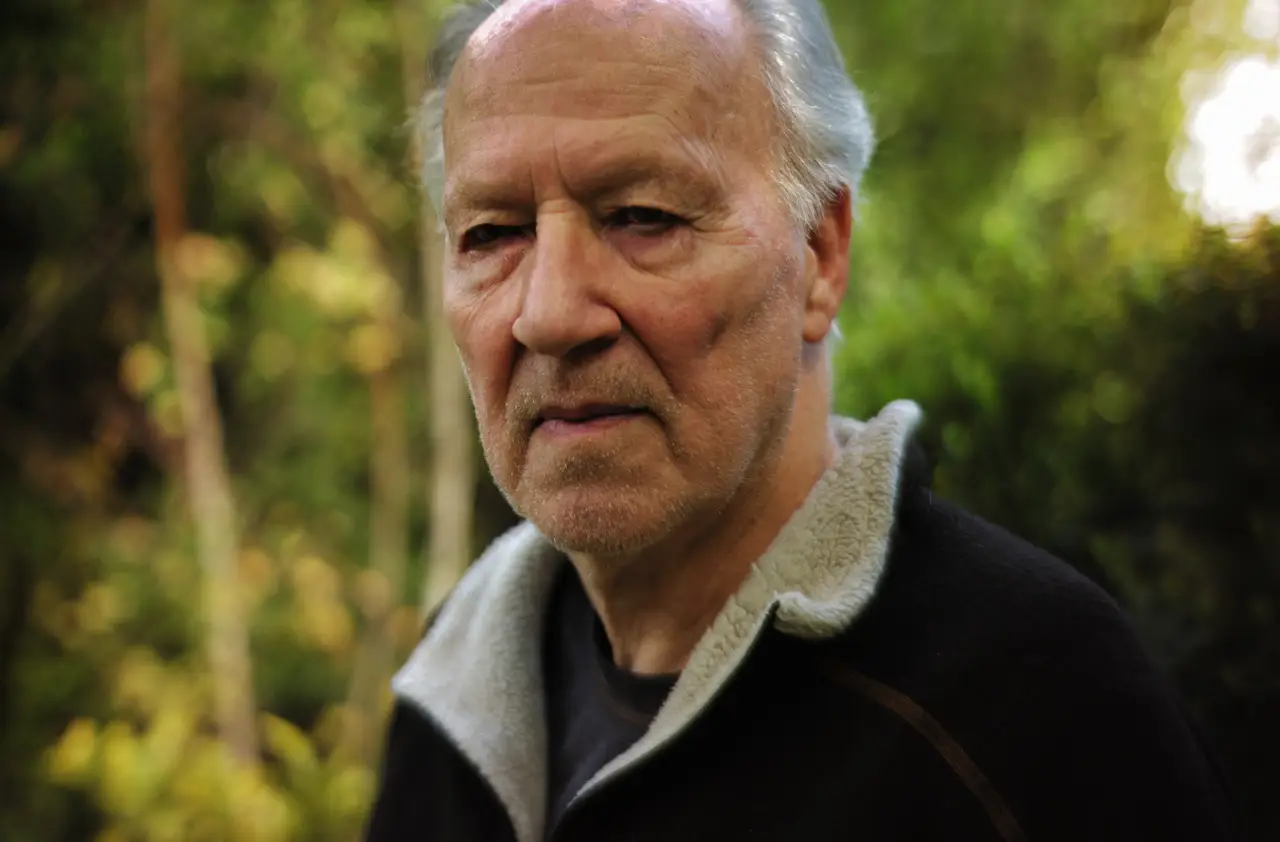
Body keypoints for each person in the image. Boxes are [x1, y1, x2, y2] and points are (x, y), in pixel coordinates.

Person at [364, 0, 1237, 840]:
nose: (549, 314)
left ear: (819, 254)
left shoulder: (1037, 709)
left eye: (642, 218)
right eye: (491, 233)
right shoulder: (459, 681)